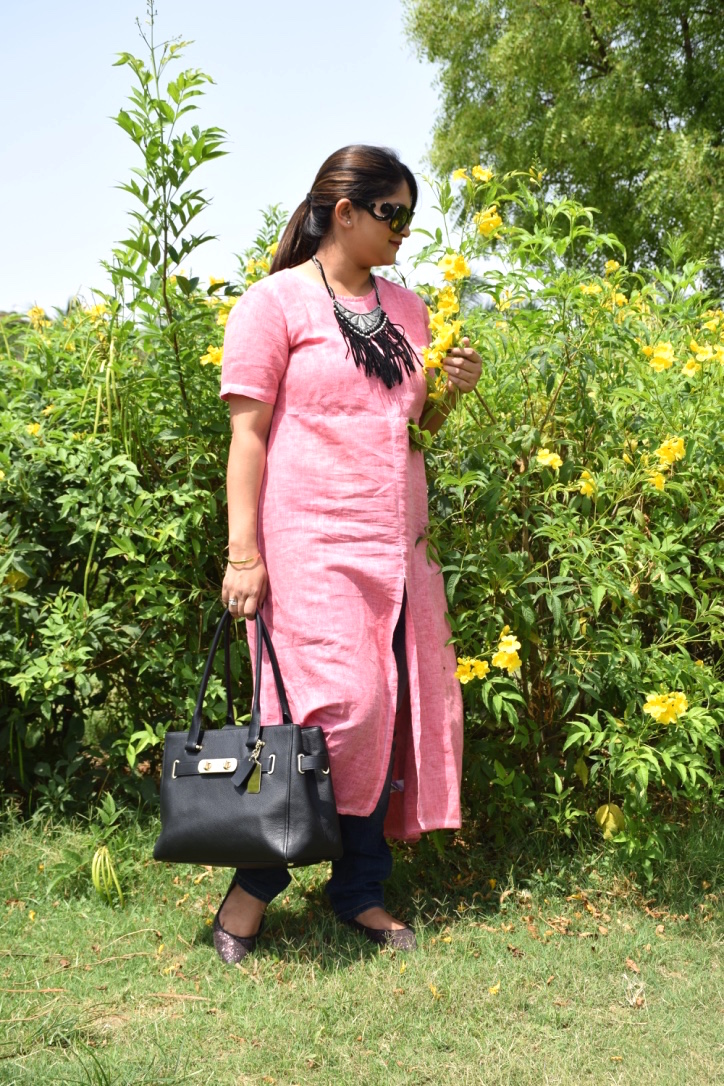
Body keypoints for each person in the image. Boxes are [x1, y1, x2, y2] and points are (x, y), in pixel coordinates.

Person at [213, 144, 482, 964]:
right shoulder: (273, 304)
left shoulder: (409, 309)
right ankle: (255, 882)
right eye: (392, 213)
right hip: (307, 541)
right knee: (338, 709)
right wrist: (243, 554)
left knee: (386, 715)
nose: (404, 229)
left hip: (394, 544)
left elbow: (413, 428)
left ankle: (359, 889)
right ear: (345, 212)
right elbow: (248, 436)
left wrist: (450, 393)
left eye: (410, 216)